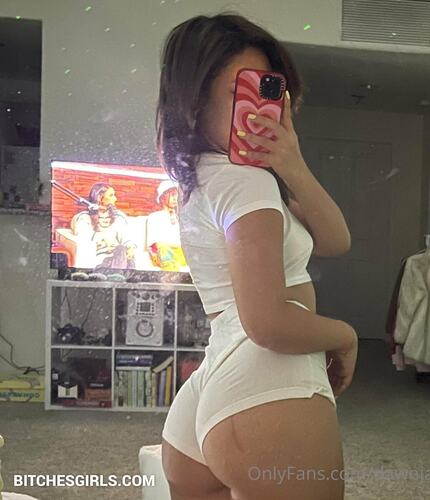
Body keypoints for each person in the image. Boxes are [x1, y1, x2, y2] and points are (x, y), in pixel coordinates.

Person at [156, 13, 358, 500]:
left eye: (268, 90)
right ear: (194, 98)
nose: (258, 110)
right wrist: (346, 336)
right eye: (240, 91)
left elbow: (335, 240)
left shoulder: (209, 176)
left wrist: (292, 163)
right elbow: (267, 322)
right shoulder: (244, 183)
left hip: (219, 379)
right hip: (268, 374)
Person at [70, 182, 136, 270]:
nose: (115, 199)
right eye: (111, 195)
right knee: (121, 253)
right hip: (101, 262)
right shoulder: (84, 218)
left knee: (122, 252)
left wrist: (130, 248)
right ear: (99, 197)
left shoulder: (119, 217)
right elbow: (85, 241)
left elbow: (127, 238)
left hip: (120, 257)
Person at [146, 180, 188, 271]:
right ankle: (172, 274)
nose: (175, 198)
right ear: (162, 197)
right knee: (164, 250)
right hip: (162, 253)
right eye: (172, 195)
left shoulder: (183, 217)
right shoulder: (154, 217)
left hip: (180, 253)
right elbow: (153, 245)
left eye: (177, 195)